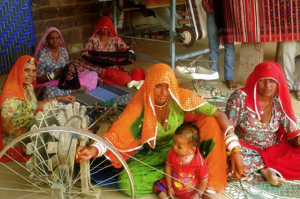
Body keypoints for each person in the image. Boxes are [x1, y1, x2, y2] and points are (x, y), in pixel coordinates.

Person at [75, 63, 244, 198]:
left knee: (211, 121)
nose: (164, 92)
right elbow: (118, 133)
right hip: (154, 154)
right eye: (158, 86)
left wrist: (235, 149)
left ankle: (191, 180)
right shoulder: (139, 104)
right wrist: (93, 149)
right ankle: (182, 180)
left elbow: (218, 113)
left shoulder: (179, 97)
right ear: (149, 85)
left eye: (168, 85)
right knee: (127, 182)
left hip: (180, 149)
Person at [226, 62, 300, 187]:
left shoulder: (279, 102)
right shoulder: (239, 98)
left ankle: (266, 167)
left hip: (273, 149)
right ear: (255, 80)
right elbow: (227, 130)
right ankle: (266, 168)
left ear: (278, 83)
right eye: (262, 81)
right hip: (244, 148)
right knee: (229, 169)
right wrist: (234, 153)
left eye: (272, 81)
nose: (267, 86)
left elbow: (292, 136)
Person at [0, 55, 75, 162]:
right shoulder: (11, 97)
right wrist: (24, 136)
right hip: (17, 139)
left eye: (34, 71)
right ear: (18, 70)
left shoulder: (28, 86)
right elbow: (5, 125)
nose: (31, 75)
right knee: (52, 142)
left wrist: (59, 98)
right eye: (26, 70)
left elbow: (35, 105)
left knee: (55, 117)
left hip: (29, 125)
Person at [34, 27, 98, 100]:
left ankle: (65, 91)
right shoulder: (43, 54)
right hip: (50, 83)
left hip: (64, 80)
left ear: (60, 39)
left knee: (93, 74)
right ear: (47, 40)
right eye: (51, 39)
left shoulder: (63, 51)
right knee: (48, 91)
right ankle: (73, 91)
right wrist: (55, 74)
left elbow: (68, 65)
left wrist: (70, 70)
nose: (55, 41)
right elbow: (38, 78)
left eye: (57, 38)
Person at [154, 122, 208, 199]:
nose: (175, 147)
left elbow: (204, 179)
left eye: (179, 147)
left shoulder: (199, 162)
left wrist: (198, 194)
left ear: (191, 150)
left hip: (188, 192)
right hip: (173, 186)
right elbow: (168, 169)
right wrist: (169, 186)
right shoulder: (172, 153)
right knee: (158, 185)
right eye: (174, 142)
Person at [80, 16, 134, 86]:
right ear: (99, 28)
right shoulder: (94, 38)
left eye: (107, 28)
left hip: (110, 66)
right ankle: (99, 77)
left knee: (126, 79)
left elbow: (125, 47)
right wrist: (86, 53)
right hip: (95, 66)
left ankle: (99, 78)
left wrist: (130, 55)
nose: (105, 31)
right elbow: (87, 49)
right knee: (80, 70)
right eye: (103, 28)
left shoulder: (114, 39)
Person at [201, 0, 237, 90]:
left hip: (229, 13)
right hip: (212, 11)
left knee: (229, 47)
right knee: (213, 47)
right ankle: (213, 75)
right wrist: (204, 2)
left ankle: (229, 78)